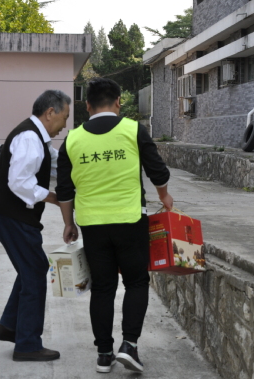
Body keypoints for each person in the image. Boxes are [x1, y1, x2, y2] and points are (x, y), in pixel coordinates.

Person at [56, 78, 173, 374]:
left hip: (92, 225)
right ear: (119, 102)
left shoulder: (72, 139)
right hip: (130, 220)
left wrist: (68, 224)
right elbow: (158, 172)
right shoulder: (134, 130)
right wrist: (164, 196)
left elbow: (65, 190)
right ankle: (129, 346)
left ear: (87, 106)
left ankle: (104, 354)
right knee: (136, 282)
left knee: (103, 287)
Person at [0, 90, 70, 362]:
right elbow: (19, 181)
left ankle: (10, 326)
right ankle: (28, 344)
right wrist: (54, 198)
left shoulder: (39, 139)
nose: (65, 125)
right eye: (65, 117)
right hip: (10, 214)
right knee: (34, 271)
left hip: (9, 213)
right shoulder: (30, 137)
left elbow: (55, 165)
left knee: (31, 267)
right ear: (50, 113)